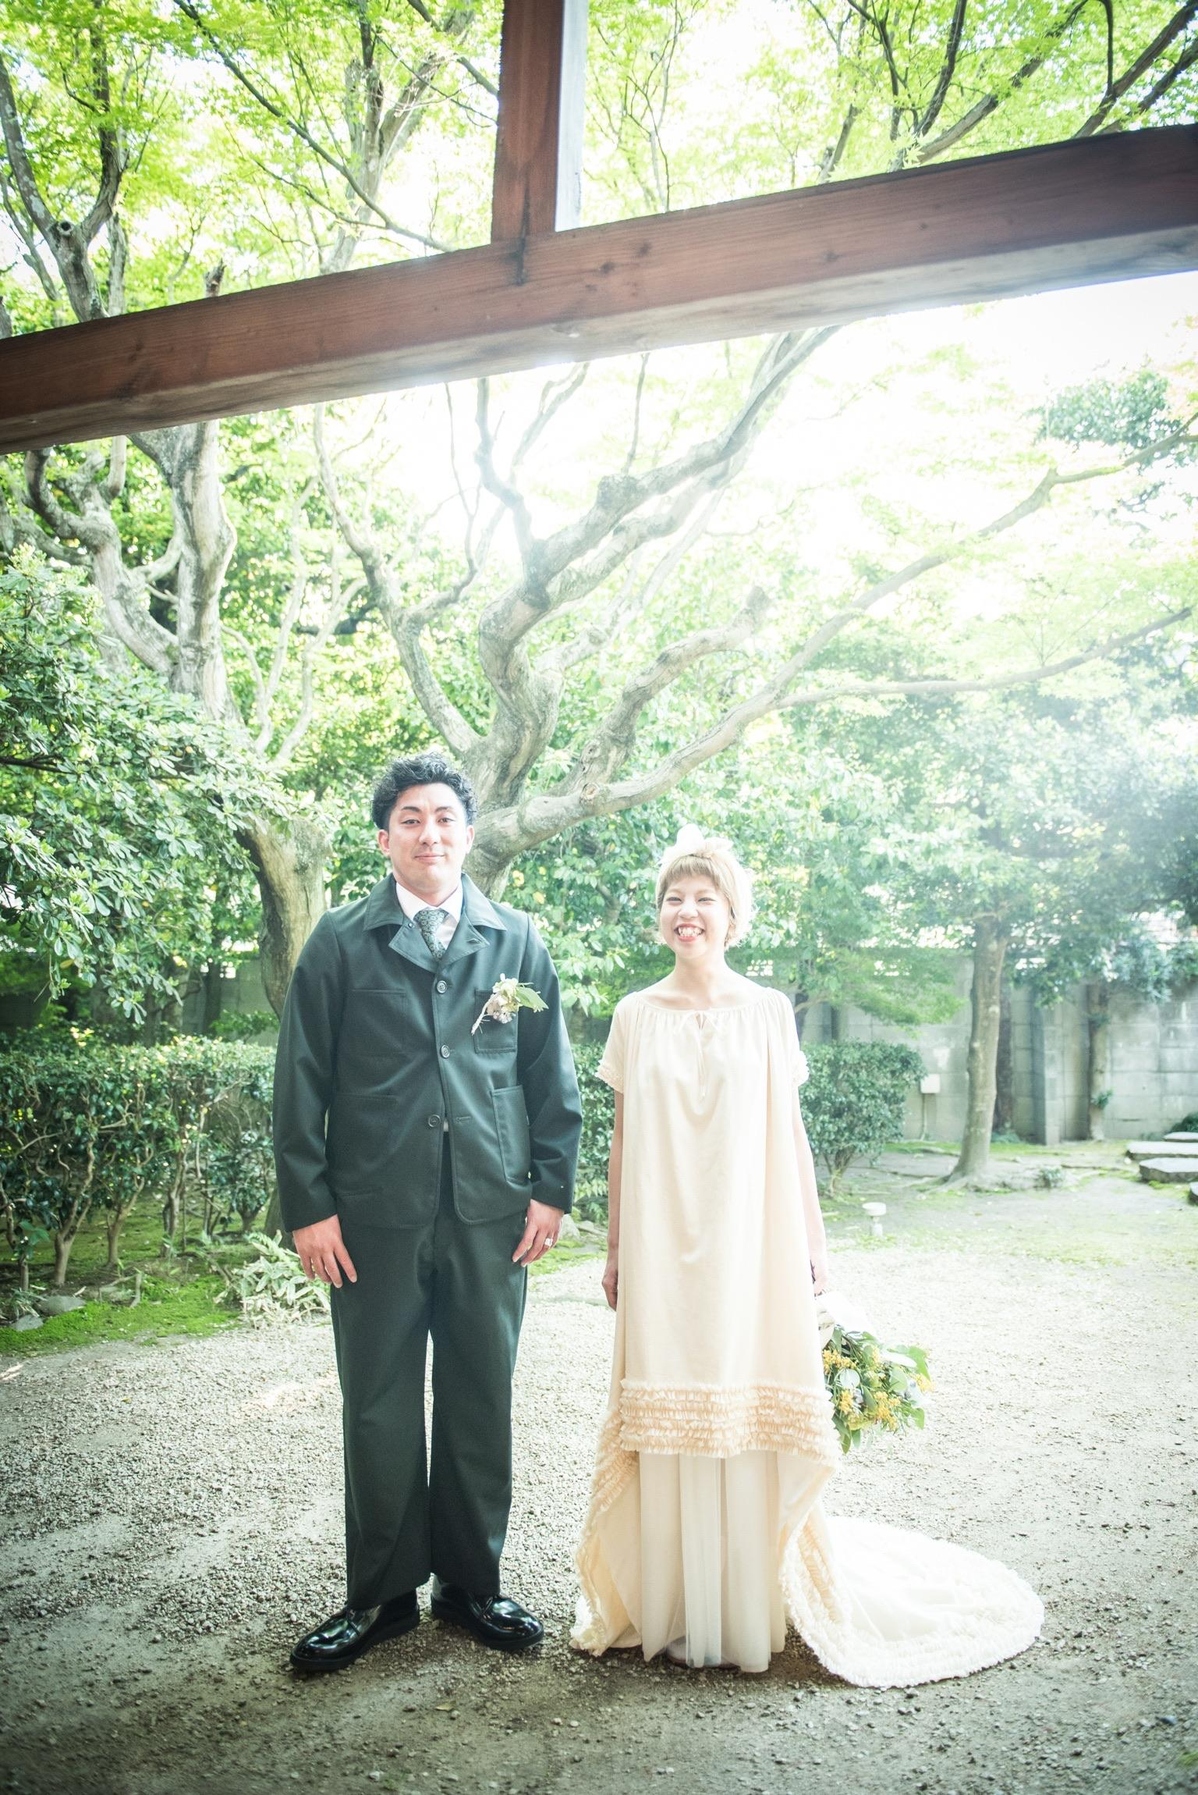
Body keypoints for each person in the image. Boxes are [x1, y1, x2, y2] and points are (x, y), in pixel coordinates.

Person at [573, 827, 1042, 1683]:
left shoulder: (766, 1012)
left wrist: (814, 1243)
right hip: (659, 1250)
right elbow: (623, 1140)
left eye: (704, 898)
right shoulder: (635, 1015)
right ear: (660, 916)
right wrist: (613, 1246)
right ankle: (673, 1602)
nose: (688, 911)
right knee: (669, 1404)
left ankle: (748, 1603)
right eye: (675, 898)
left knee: (748, 1395)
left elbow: (788, 1135)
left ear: (732, 915)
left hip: (753, 1246)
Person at [274, 752, 582, 1672]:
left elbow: (548, 1077)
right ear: (385, 837)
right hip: (372, 1216)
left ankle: (471, 1584)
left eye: (445, 817)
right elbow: (301, 1081)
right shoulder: (338, 939)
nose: (430, 832)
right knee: (376, 1404)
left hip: (492, 1210)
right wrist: (310, 1207)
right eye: (410, 818)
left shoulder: (516, 939)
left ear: (468, 832)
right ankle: (378, 1597)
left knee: (482, 1395)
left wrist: (552, 1190)